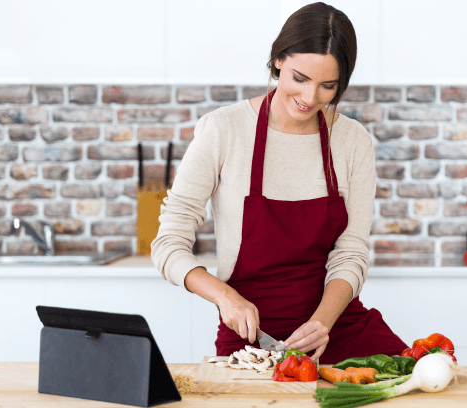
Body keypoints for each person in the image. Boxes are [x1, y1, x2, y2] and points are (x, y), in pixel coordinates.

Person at [151, 2, 407, 363]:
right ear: (277, 62)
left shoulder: (352, 141)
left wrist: (322, 322)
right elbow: (168, 244)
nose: (308, 98)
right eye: (299, 79)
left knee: (419, 375)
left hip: (335, 326)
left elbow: (351, 252)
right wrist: (225, 297)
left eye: (327, 87)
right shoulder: (223, 130)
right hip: (252, 335)